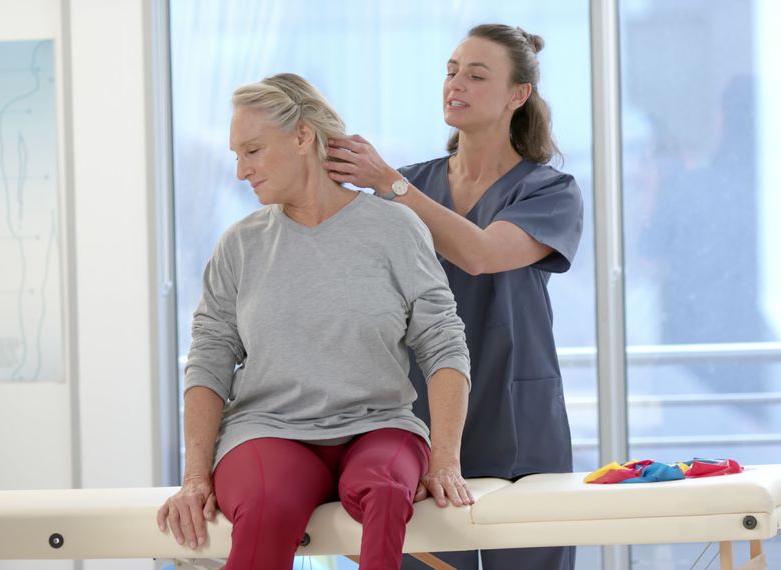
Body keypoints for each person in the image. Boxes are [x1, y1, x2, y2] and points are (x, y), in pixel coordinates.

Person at [156, 73, 473, 570]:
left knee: (388, 493)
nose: (241, 170)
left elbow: (443, 342)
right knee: (266, 507)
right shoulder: (241, 245)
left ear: (302, 137)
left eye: (253, 150)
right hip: (267, 431)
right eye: (236, 154)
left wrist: (446, 459)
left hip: (379, 426)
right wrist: (195, 477)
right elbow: (209, 360)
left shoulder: (395, 229)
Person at [326, 24, 584, 570]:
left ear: (519, 95)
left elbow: (482, 254)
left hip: (518, 416)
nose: (455, 83)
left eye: (475, 74)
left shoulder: (548, 191)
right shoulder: (407, 185)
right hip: (420, 416)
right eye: (450, 71)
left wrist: (390, 185)